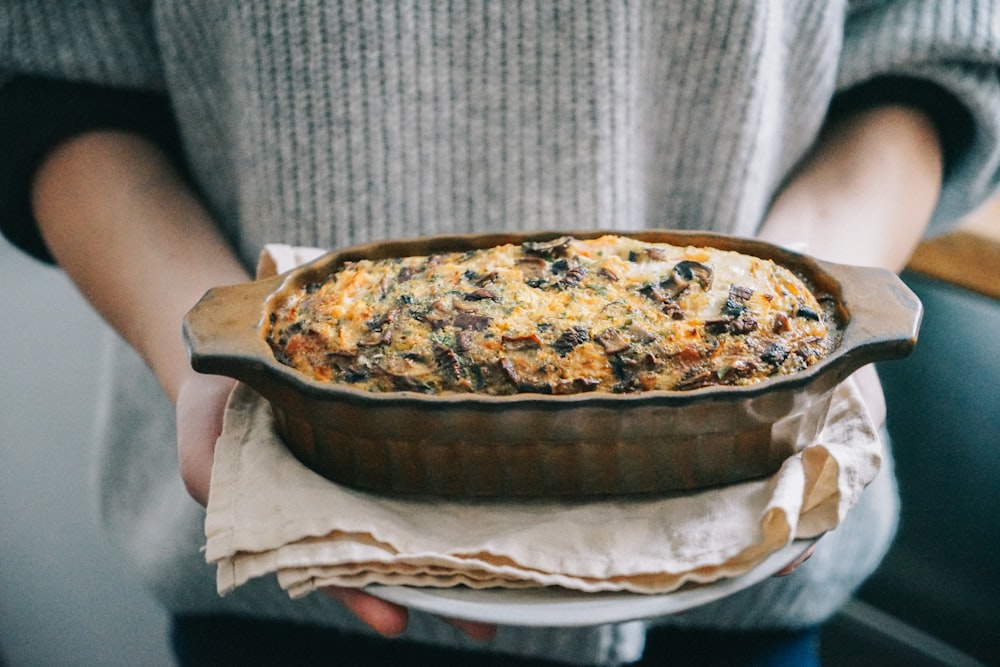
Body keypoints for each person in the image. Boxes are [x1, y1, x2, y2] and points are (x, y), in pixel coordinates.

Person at [2, 2, 998, 665]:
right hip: (290, 601)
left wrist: (815, 295)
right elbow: (46, 63)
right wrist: (198, 335)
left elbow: (934, 40)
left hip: (738, 580)